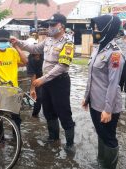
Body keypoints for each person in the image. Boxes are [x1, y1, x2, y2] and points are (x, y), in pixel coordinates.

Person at [10, 13, 75, 151]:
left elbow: (62, 66)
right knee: (48, 111)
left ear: (62, 26)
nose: (49, 27)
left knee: (64, 113)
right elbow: (34, 49)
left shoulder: (68, 43)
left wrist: (42, 79)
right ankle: (53, 138)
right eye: (49, 24)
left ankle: (70, 144)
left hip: (59, 82)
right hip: (46, 83)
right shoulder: (48, 40)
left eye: (53, 25)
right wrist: (18, 43)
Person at [82, 15, 124, 169]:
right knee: (101, 134)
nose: (94, 31)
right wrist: (86, 97)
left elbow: (114, 84)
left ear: (108, 28)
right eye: (94, 28)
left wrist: (107, 109)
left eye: (97, 28)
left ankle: (109, 166)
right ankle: (102, 162)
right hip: (95, 102)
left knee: (109, 138)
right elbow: (91, 77)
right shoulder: (98, 49)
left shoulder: (115, 54)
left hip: (107, 106)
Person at [27, 53, 43, 117]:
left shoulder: (45, 55)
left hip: (47, 76)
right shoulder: (31, 57)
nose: (37, 56)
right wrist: (32, 88)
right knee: (38, 98)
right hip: (37, 79)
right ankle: (35, 115)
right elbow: (33, 74)